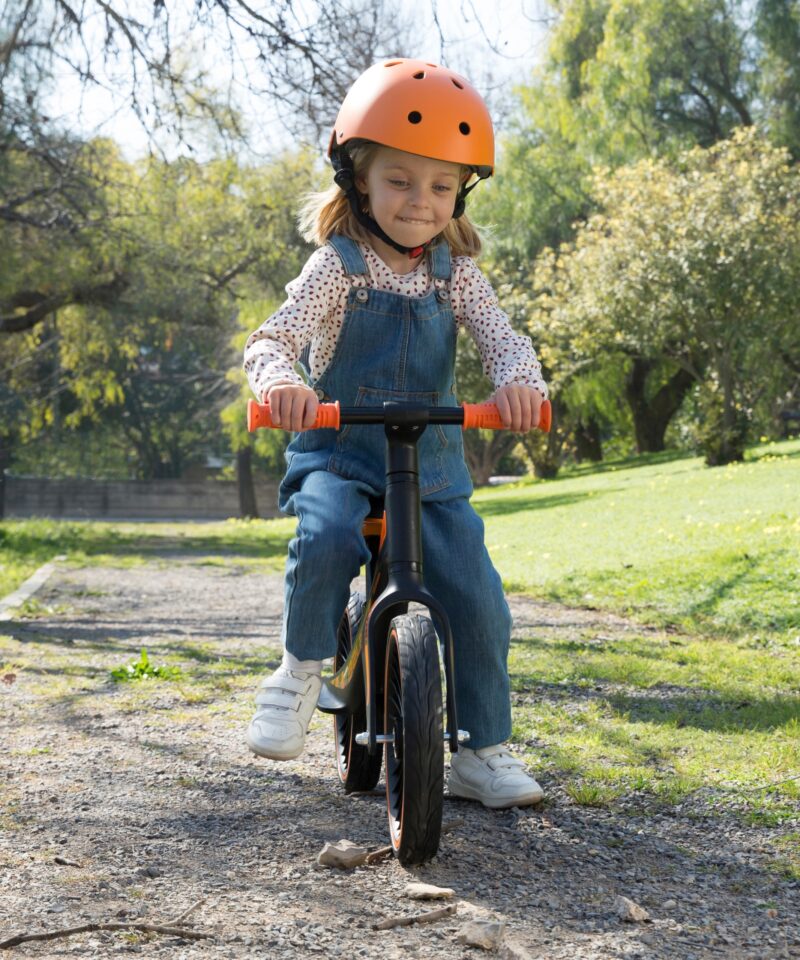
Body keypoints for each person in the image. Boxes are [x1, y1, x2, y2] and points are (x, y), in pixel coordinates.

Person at [243, 58, 548, 808]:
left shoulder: (457, 274)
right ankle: (299, 669)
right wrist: (280, 382)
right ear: (358, 182)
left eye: (441, 186)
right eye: (400, 180)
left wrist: (521, 386)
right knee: (326, 535)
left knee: (478, 601)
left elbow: (506, 343)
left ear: (460, 194)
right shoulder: (336, 268)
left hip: (433, 467)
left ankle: (483, 750)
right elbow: (272, 339)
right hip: (340, 453)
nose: (421, 201)